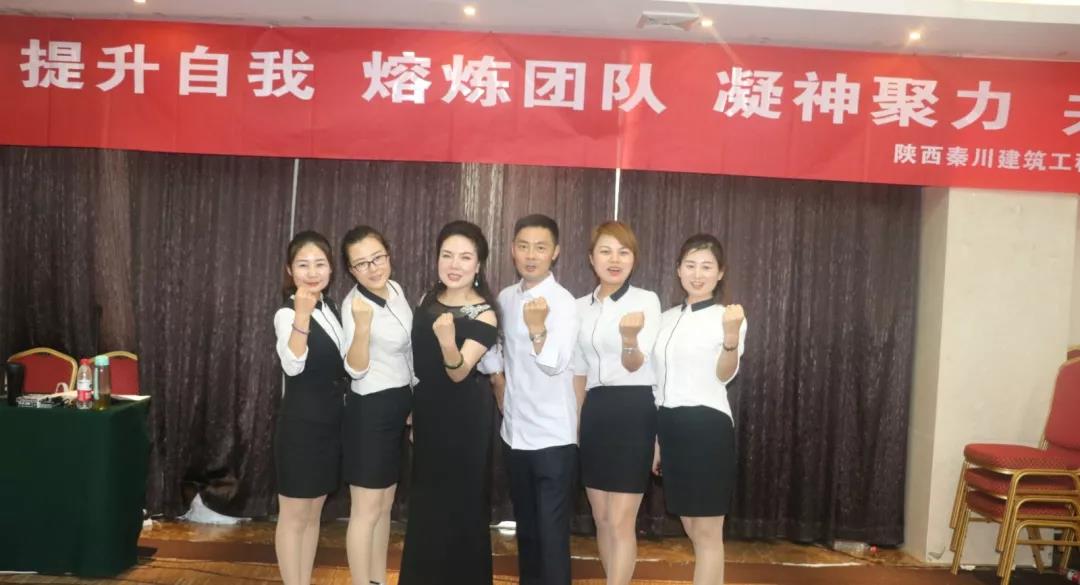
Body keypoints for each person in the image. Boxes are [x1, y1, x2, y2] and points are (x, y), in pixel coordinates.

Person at [399, 220, 500, 585]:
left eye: (465, 257)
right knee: (427, 506)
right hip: (428, 413)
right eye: (447, 255)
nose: (454, 264)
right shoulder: (426, 299)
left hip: (465, 420)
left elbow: (458, 373)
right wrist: (412, 409)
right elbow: (416, 363)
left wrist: (446, 340)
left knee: (462, 507)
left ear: (478, 264)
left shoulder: (484, 313)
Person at [652, 234, 746, 585]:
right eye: (690, 265)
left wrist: (731, 339)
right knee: (691, 526)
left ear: (720, 273)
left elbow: (725, 374)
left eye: (706, 267)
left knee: (707, 533)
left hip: (707, 427)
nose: (697, 274)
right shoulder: (664, 319)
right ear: (678, 270)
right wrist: (657, 440)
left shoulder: (728, 317)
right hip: (670, 425)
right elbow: (656, 383)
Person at [572, 221, 662, 585]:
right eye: (606, 251)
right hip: (595, 411)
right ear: (591, 258)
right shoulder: (579, 307)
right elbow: (578, 372)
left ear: (634, 259)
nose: (614, 259)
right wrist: (578, 427)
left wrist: (628, 339)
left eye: (623, 252)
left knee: (622, 520)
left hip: (633, 409)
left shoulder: (646, 300)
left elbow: (636, 363)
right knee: (602, 518)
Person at [496, 214, 580, 585]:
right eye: (524, 246)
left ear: (555, 252)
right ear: (513, 250)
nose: (531, 255)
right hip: (514, 433)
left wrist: (537, 331)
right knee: (527, 533)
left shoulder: (563, 302)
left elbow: (554, 363)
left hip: (553, 437)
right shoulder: (504, 297)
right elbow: (497, 354)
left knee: (551, 535)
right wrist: (497, 381)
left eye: (541, 247)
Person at [339, 226, 414, 585]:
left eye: (377, 258)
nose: (372, 268)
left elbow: (408, 350)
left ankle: (378, 580)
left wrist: (414, 398)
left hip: (399, 404)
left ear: (389, 255)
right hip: (370, 409)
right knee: (366, 510)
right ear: (351, 271)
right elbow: (355, 369)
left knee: (385, 506)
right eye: (361, 264)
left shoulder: (396, 290)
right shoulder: (353, 305)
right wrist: (363, 327)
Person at [272, 230, 347, 585]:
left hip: (331, 423)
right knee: (294, 515)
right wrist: (302, 316)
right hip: (301, 426)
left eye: (320, 264)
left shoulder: (332, 307)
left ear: (331, 268)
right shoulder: (286, 313)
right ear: (290, 270)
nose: (313, 272)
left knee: (315, 512)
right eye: (303, 265)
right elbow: (292, 365)